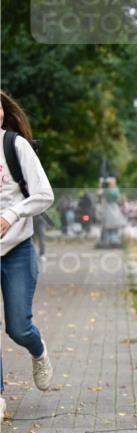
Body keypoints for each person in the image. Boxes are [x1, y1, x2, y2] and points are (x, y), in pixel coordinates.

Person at [0, 89, 55, 407]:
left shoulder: (14, 145)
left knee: (18, 327)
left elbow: (45, 194)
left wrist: (12, 213)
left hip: (17, 247)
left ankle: (39, 351)